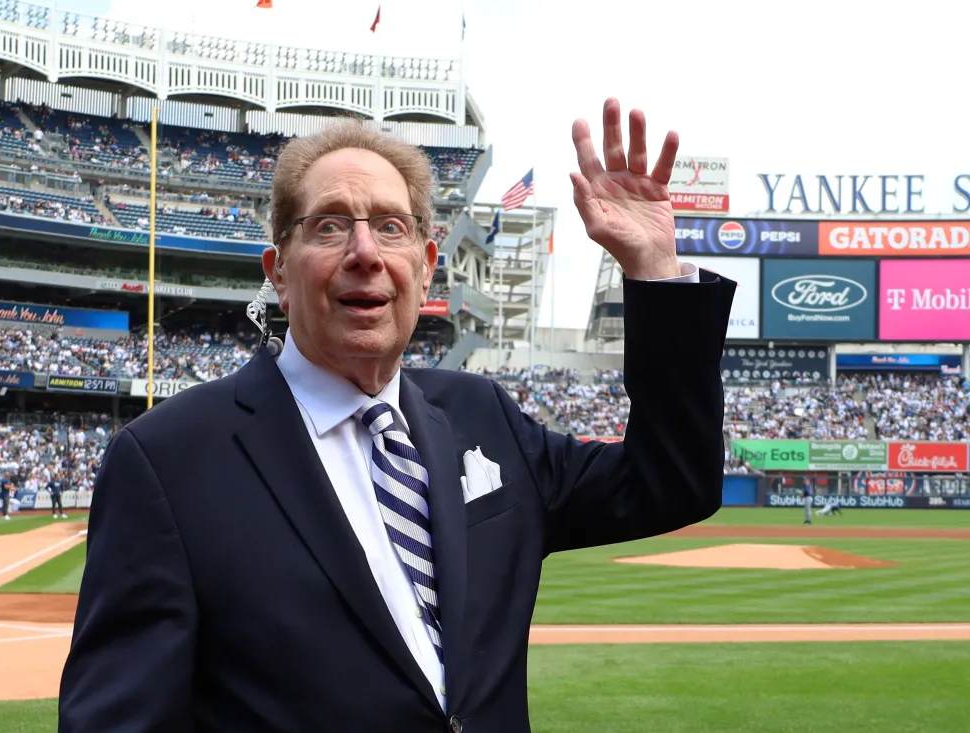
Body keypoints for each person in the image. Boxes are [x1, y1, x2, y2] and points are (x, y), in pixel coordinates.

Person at [59, 99, 736, 732]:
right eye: (329, 225)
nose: (365, 252)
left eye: (391, 226)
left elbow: (669, 481)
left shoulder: (482, 415)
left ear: (427, 264)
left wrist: (654, 273)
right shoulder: (170, 461)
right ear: (278, 272)